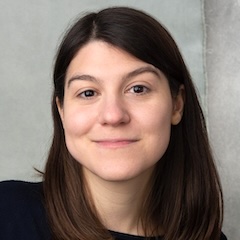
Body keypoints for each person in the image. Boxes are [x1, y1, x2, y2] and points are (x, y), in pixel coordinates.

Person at [0, 6, 227, 240]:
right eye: (88, 93)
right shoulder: (7, 213)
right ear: (62, 111)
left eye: (138, 89)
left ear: (177, 104)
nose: (113, 115)